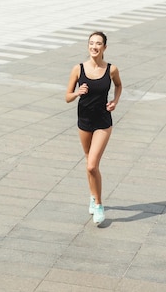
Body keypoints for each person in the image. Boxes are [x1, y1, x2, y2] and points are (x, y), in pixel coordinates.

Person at [65, 31, 122, 223]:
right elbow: (67, 97)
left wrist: (115, 101)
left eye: (98, 44)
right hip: (84, 121)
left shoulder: (111, 69)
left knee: (91, 165)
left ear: (104, 47)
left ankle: (98, 205)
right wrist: (77, 93)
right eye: (91, 43)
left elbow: (119, 86)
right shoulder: (78, 69)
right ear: (88, 46)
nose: (94, 47)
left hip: (103, 122)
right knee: (90, 165)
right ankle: (92, 196)